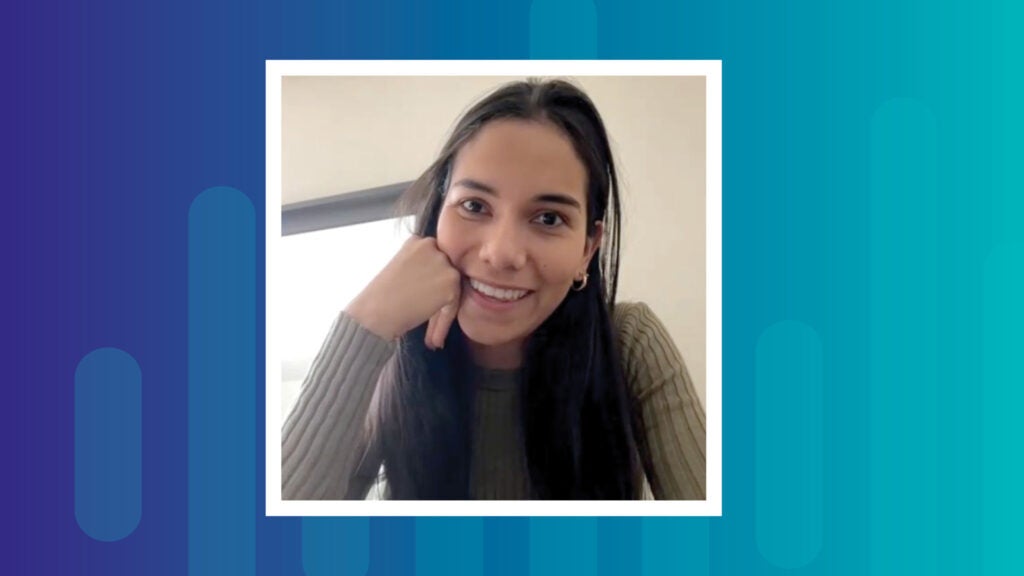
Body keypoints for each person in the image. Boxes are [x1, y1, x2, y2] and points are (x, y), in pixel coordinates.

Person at [282, 78, 705, 500]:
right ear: (437, 214)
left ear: (587, 249)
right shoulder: (392, 349)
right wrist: (367, 322)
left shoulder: (628, 340)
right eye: (474, 206)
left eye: (549, 218)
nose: (501, 254)